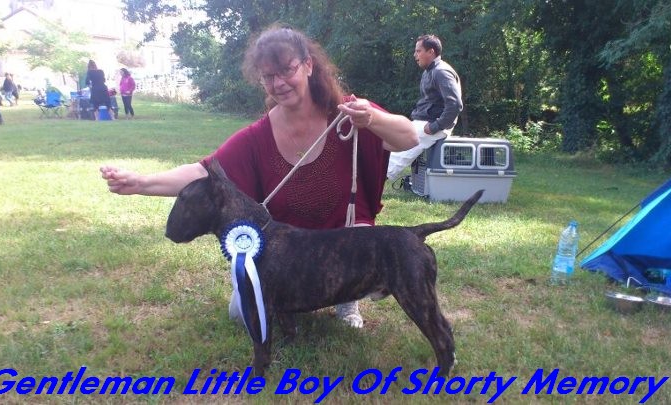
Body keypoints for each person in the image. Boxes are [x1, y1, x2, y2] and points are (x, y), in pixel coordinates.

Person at [101, 25, 417, 328]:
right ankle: (297, 295)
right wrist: (140, 183)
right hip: (290, 252)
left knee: (358, 243)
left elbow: (408, 137)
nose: (279, 83)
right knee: (241, 313)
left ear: (308, 65)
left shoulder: (347, 113)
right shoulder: (257, 137)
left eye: (287, 70)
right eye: (268, 76)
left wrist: (372, 119)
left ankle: (346, 297)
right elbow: (204, 172)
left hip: (342, 241)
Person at [387, 34, 463, 180]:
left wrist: (435, 126)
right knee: (391, 140)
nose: (415, 55)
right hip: (422, 123)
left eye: (418, 51)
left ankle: (372, 180)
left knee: (395, 156)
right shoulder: (429, 72)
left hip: (433, 126)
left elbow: (455, 104)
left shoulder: (442, 72)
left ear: (431, 52)